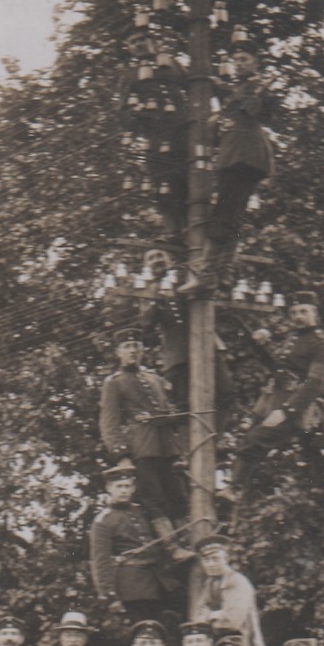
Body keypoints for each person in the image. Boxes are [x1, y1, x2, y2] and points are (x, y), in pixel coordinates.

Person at [179, 40, 274, 297]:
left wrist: (222, 91)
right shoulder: (239, 90)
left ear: (255, 62)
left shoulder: (256, 86)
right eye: (236, 59)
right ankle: (223, 273)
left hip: (244, 157)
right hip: (236, 157)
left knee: (223, 216)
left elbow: (250, 107)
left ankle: (208, 274)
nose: (240, 63)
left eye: (245, 58)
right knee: (231, 217)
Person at [220, 291, 324, 500]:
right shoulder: (294, 337)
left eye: (304, 311)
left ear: (315, 313)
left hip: (293, 406)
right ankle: (234, 489)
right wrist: (259, 344)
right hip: (272, 400)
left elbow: (315, 383)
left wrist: (287, 412)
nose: (298, 316)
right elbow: (279, 368)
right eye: (294, 312)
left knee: (253, 440)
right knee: (246, 440)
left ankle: (234, 489)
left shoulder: (320, 344)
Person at [99, 328, 189, 554]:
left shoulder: (153, 379)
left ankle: (191, 541)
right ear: (118, 352)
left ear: (142, 351)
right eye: (127, 347)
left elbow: (169, 411)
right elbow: (109, 421)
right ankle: (173, 547)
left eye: (137, 346)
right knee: (153, 498)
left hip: (167, 447)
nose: (133, 351)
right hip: (142, 448)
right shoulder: (114, 382)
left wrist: (171, 417)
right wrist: (122, 456)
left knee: (178, 496)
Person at [139, 248, 235, 442]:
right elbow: (146, 325)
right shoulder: (148, 290)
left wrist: (180, 289)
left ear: (170, 258)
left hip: (208, 345)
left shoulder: (185, 275)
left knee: (226, 392)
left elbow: (209, 283)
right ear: (146, 266)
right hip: (177, 355)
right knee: (183, 406)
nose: (157, 260)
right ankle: (186, 452)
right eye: (151, 258)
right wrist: (158, 299)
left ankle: (216, 438)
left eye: (160, 255)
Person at [118, 30, 188, 241]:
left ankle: (193, 228)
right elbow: (122, 111)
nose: (139, 44)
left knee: (190, 177)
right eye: (133, 41)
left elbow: (194, 86)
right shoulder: (129, 75)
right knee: (161, 181)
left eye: (143, 39)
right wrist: (137, 119)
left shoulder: (170, 63)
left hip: (183, 130)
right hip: (155, 135)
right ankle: (173, 231)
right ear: (129, 48)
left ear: (154, 42)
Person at [89, 465, 180, 626]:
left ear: (133, 488)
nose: (124, 490)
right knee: (143, 631)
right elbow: (100, 562)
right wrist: (110, 597)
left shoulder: (142, 510)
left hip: (158, 580)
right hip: (132, 588)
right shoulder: (103, 521)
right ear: (108, 488)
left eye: (127, 486)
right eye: (119, 486)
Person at [194, 534, 266, 646]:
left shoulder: (237, 582)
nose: (210, 564)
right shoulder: (210, 583)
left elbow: (231, 623)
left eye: (215, 559)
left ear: (226, 559)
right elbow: (197, 618)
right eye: (206, 560)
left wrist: (208, 617)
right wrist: (215, 615)